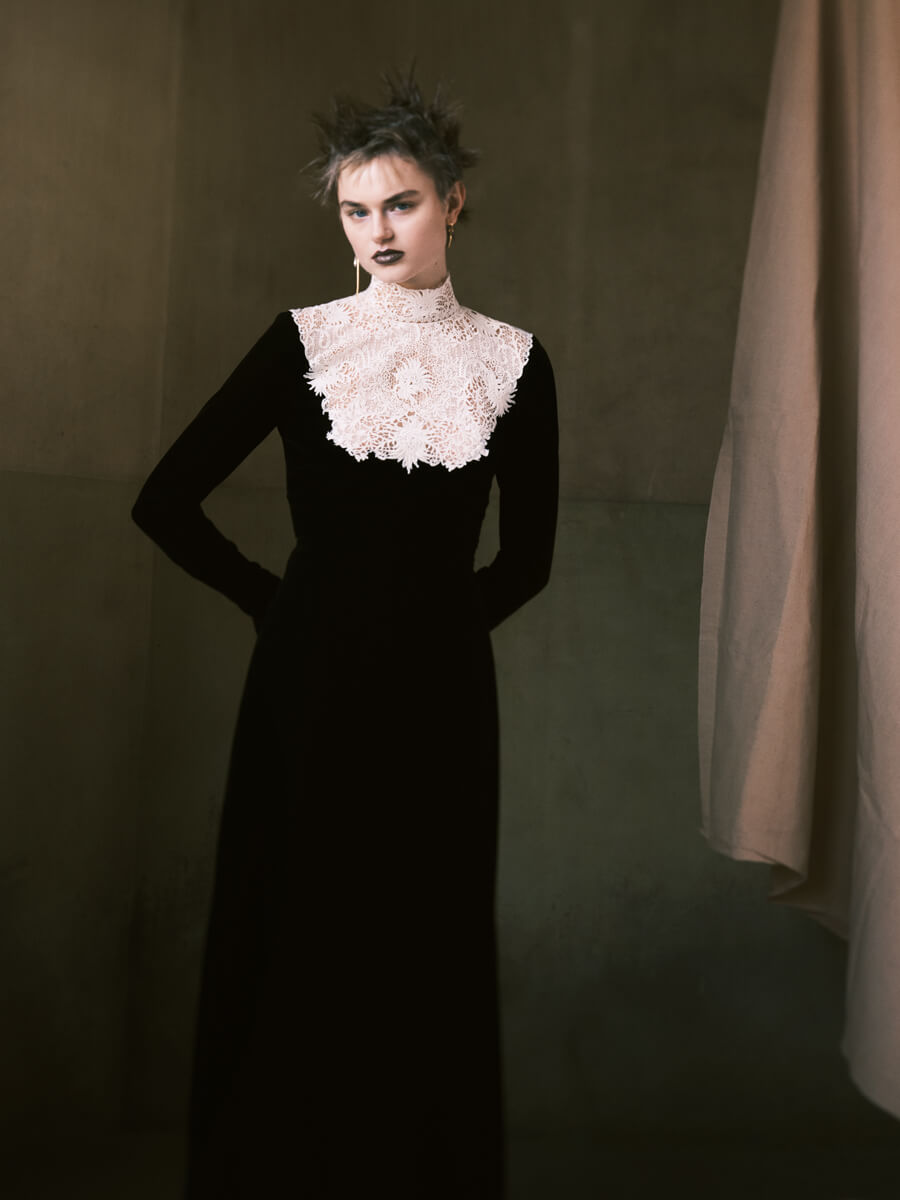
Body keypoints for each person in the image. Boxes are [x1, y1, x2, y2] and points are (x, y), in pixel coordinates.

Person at [132, 74, 558, 1199]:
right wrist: (276, 604)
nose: (377, 231)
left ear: (452, 203)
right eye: (356, 210)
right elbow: (164, 501)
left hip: (442, 700)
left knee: (424, 942)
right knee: (297, 930)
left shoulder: (516, 362)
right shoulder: (301, 344)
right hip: (305, 686)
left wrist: (434, 632)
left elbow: (529, 561)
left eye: (401, 204)